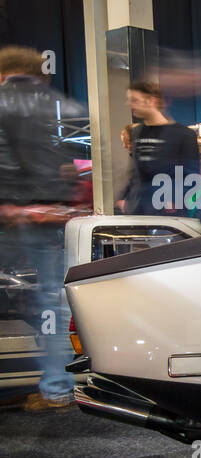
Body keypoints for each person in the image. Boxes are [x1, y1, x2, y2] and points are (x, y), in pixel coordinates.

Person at [0, 46, 83, 411]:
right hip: (52, 209)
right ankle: (57, 387)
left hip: (18, 211)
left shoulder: (3, 100)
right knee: (52, 297)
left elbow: (4, 156)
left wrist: (12, 202)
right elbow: (62, 157)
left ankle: (53, 385)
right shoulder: (54, 100)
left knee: (40, 296)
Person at [122, 80, 199, 216]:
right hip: (136, 211)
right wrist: (124, 197)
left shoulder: (184, 134)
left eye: (134, 100)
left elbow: (191, 176)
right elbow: (135, 173)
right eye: (129, 100)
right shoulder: (136, 132)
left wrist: (175, 200)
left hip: (168, 213)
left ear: (151, 101)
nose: (129, 104)